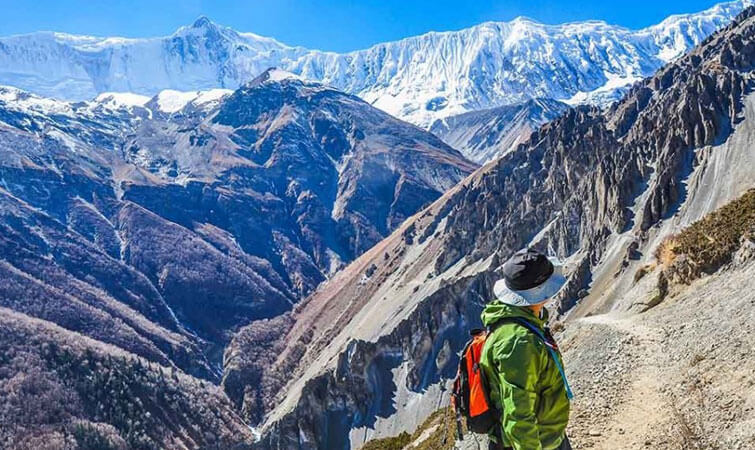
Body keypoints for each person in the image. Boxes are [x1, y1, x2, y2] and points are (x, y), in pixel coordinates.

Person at [479, 248, 573, 450]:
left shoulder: (520, 321)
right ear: (539, 290)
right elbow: (518, 412)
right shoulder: (519, 342)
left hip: (545, 435)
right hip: (536, 442)